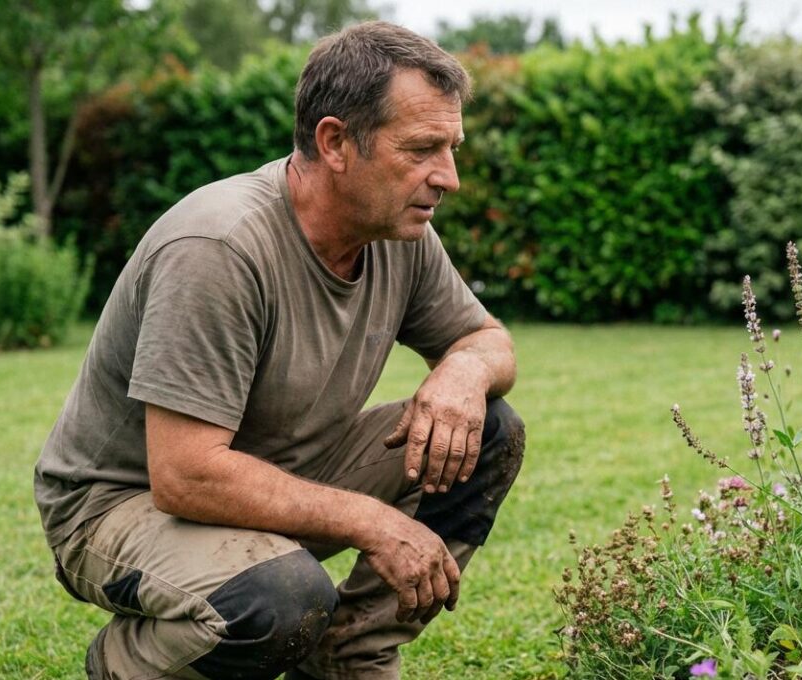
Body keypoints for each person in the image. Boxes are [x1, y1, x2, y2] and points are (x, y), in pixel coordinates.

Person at [33, 21, 524, 680]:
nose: (450, 177)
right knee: (279, 598)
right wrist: (371, 520)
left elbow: (489, 340)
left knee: (489, 429)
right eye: (422, 149)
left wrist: (464, 370)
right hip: (120, 505)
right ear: (335, 143)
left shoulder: (397, 235)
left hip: (277, 469)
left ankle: (348, 658)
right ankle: (124, 667)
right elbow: (184, 475)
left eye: (452, 147)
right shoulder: (218, 249)